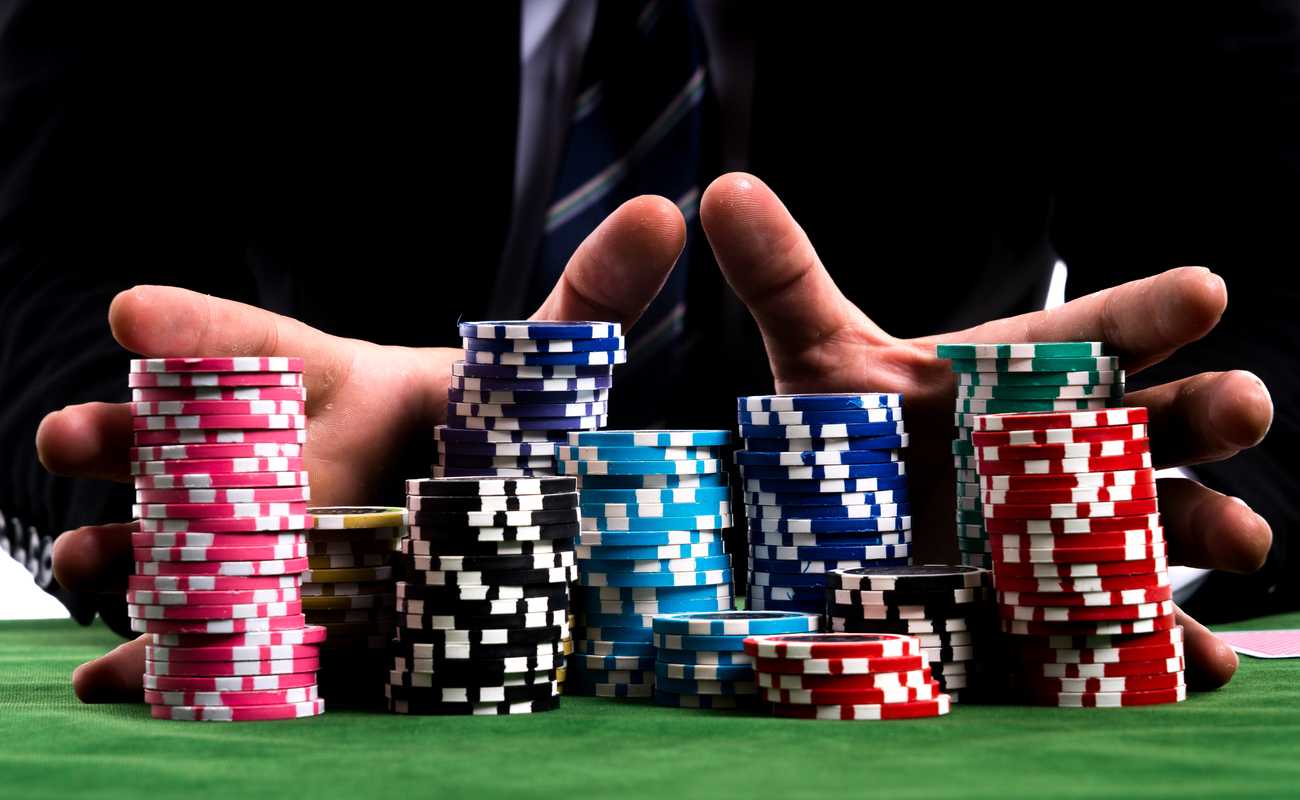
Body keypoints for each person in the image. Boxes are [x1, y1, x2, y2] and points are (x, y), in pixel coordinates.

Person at [2, 3, 1290, 701]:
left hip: (938, 551)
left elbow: (1275, 275)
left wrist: (1073, 538)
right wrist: (225, 514)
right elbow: (39, 256)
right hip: (375, 579)